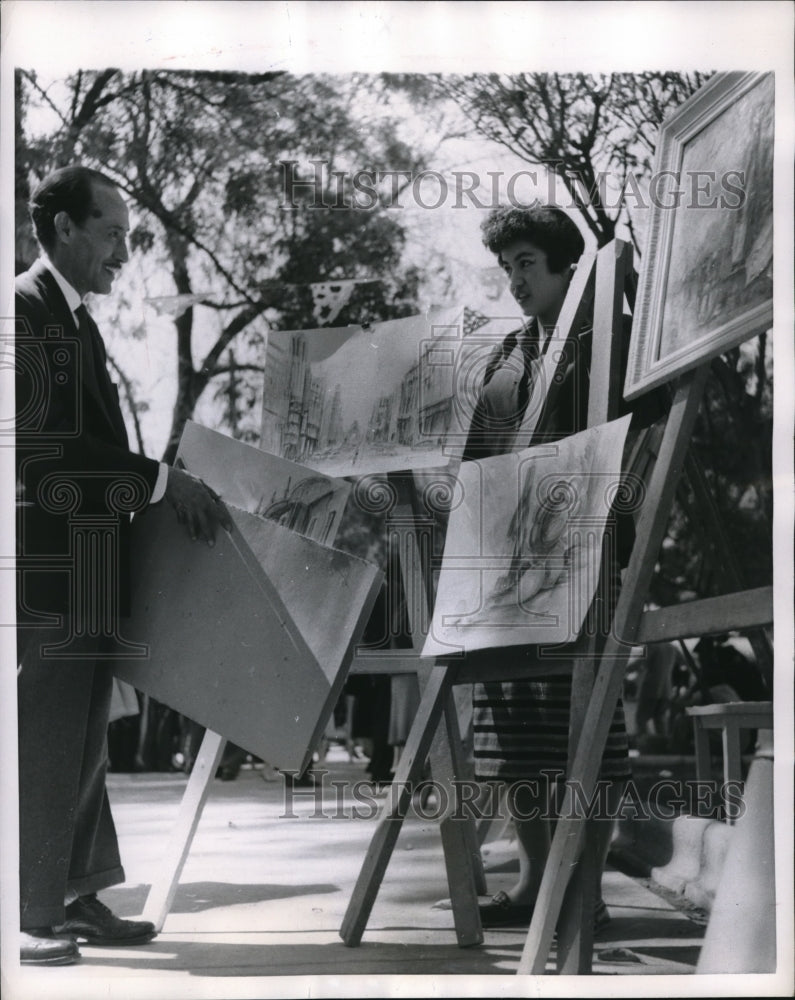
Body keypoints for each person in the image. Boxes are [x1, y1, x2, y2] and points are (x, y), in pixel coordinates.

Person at [15, 165, 232, 966]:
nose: (124, 251)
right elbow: (43, 458)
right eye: (111, 232)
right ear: (64, 228)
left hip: (86, 567)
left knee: (81, 742)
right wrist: (166, 481)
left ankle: (75, 896)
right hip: (44, 570)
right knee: (44, 739)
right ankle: (30, 913)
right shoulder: (21, 309)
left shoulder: (74, 317)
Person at [459, 204, 658, 930]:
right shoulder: (508, 350)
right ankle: (533, 884)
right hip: (505, 559)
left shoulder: (613, 339)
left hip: (585, 550)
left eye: (527, 265)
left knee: (585, 725)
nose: (514, 280)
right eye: (506, 267)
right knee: (511, 730)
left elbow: (649, 432)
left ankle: (587, 893)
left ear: (564, 265)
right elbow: (479, 447)